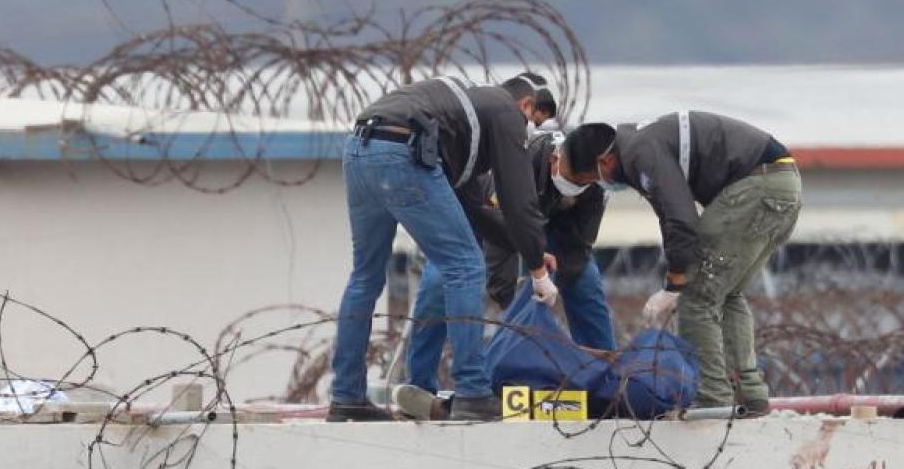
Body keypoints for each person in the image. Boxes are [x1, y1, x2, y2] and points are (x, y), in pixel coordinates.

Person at [327, 74, 559, 422]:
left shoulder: (460, 123)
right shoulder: (506, 111)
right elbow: (518, 198)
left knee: (365, 276)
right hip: (403, 150)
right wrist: (539, 274)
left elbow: (477, 210)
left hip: (360, 150)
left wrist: (531, 251)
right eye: (532, 122)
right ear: (525, 105)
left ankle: (346, 397)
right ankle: (472, 392)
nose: (526, 133)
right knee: (465, 266)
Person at [557, 113, 801, 415]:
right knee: (725, 293)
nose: (599, 185)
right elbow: (669, 217)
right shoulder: (637, 147)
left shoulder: (640, 153)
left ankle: (712, 398)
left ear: (604, 161)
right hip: (780, 184)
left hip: (756, 187)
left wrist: (674, 285)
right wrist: (674, 278)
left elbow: (682, 219)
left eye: (591, 179)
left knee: (695, 296)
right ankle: (750, 394)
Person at [403, 130, 616, 404]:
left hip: (540, 226)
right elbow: (498, 236)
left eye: (585, 181)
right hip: (481, 215)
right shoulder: (519, 161)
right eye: (574, 178)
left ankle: (604, 383)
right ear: (555, 158)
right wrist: (512, 305)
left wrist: (545, 279)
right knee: (440, 278)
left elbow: (578, 245)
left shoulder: (595, 186)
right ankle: (420, 387)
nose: (579, 185)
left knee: (585, 278)